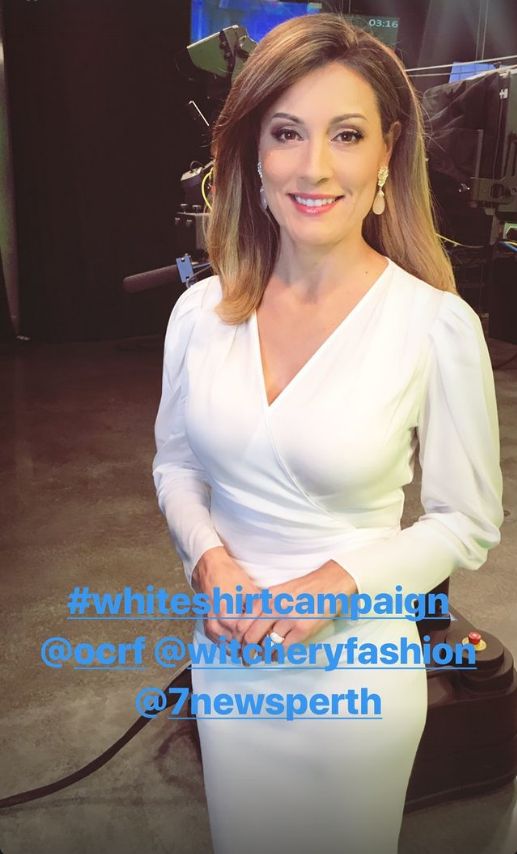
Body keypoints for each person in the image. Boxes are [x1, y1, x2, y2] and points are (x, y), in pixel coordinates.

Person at [152, 13, 504, 854]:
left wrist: (337, 582)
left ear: (386, 153)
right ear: (252, 154)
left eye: (345, 134)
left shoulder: (435, 326)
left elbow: (466, 521)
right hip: (229, 663)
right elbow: (174, 464)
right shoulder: (198, 314)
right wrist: (209, 559)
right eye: (286, 133)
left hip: (356, 685)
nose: (313, 167)